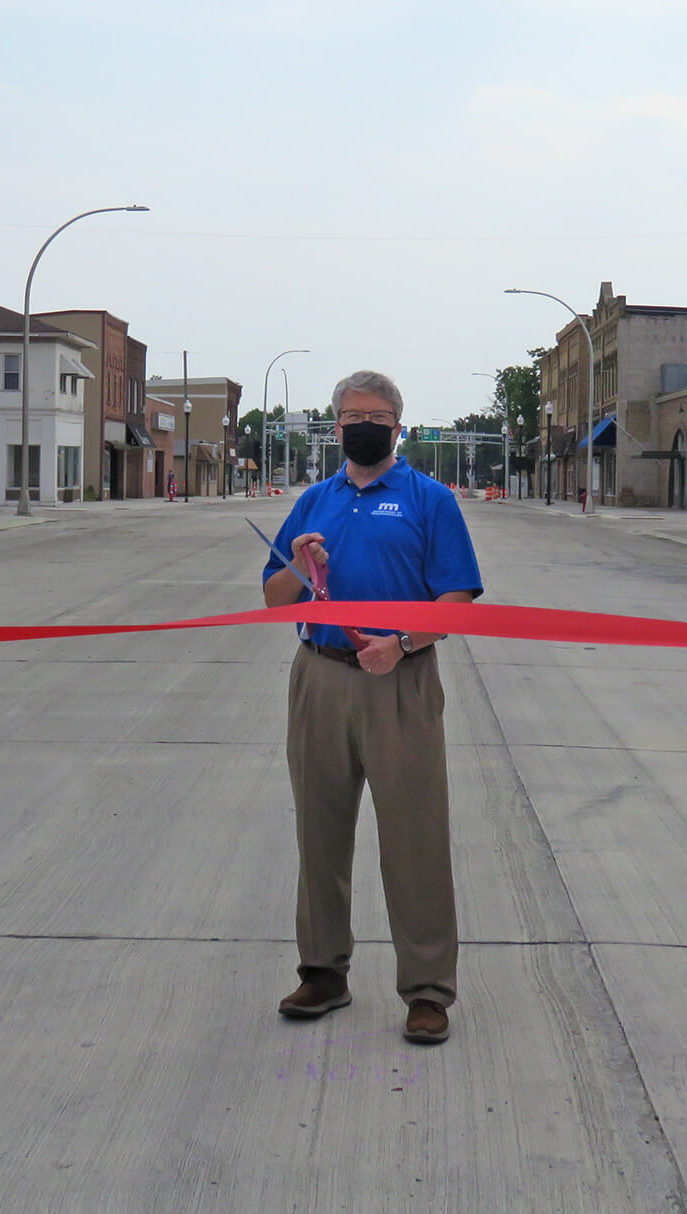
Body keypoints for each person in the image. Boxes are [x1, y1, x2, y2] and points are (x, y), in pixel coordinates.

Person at [263, 370, 482, 1045]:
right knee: (319, 833)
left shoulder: (430, 499)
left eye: (377, 414)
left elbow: (457, 598)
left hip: (400, 684)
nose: (364, 424)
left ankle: (426, 990)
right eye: (352, 414)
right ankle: (323, 972)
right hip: (320, 678)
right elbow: (276, 599)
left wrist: (404, 642)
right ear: (334, 427)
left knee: (413, 838)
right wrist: (296, 566)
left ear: (398, 425)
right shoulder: (314, 502)